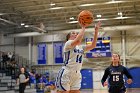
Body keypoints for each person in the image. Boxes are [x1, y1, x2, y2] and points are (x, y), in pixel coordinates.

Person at [55, 21, 101, 93]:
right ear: (68, 37)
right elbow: (78, 40)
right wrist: (83, 27)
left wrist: (96, 31)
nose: (76, 34)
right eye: (73, 33)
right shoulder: (68, 44)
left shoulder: (81, 48)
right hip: (67, 72)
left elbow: (93, 45)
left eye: (77, 33)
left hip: (77, 73)